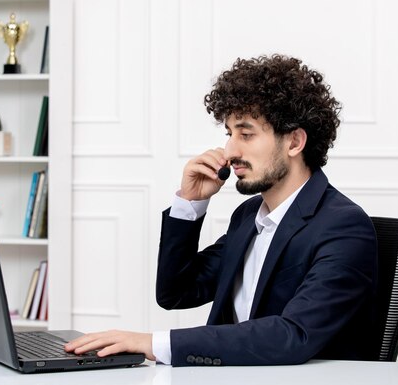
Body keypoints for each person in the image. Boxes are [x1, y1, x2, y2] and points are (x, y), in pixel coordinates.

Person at [65, 54, 378, 366]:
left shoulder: (344, 227)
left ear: (294, 142)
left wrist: (153, 343)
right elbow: (176, 292)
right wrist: (191, 201)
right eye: (229, 134)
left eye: (246, 134)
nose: (230, 151)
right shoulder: (248, 216)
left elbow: (293, 335)